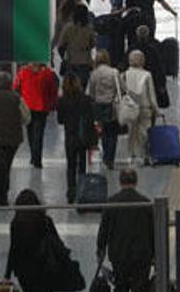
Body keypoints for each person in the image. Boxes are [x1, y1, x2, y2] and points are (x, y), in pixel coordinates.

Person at [96, 169, 154, 292]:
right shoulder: (145, 204)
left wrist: (100, 251)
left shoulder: (111, 203)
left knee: (120, 287)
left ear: (121, 182)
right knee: (138, 291)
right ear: (135, 182)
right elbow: (153, 232)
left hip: (118, 254)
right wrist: (157, 254)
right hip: (141, 255)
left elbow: (103, 230)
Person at [4, 189, 58, 292]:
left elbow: (13, 249)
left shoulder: (16, 224)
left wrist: (8, 273)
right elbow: (56, 242)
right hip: (45, 269)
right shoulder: (46, 221)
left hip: (24, 270)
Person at [0, 71, 31, 205]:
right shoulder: (16, 97)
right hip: (12, 139)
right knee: (6, 165)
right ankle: (3, 194)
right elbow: (27, 118)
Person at [57, 74, 96, 203]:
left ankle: (71, 192)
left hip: (70, 137)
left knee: (71, 165)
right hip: (83, 136)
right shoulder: (86, 99)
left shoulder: (62, 100)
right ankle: (82, 191)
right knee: (82, 165)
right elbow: (91, 118)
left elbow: (60, 120)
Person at [14, 63, 59, 169]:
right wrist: (53, 104)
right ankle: (37, 159)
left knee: (30, 132)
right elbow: (53, 90)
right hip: (41, 107)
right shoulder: (48, 74)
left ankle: (34, 157)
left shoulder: (23, 72)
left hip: (27, 106)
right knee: (39, 134)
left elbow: (16, 87)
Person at [87, 50, 122, 169]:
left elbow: (90, 91)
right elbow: (122, 88)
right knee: (113, 133)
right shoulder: (114, 72)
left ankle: (106, 155)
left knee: (103, 132)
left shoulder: (94, 73)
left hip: (98, 105)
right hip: (112, 105)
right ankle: (110, 158)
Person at [123, 50, 158, 165]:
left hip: (130, 108)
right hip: (144, 107)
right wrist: (156, 109)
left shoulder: (124, 74)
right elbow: (151, 94)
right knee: (145, 132)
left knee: (131, 132)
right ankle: (145, 155)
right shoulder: (147, 75)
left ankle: (131, 155)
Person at [56, 4, 96, 90]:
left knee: (69, 88)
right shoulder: (89, 28)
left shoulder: (67, 27)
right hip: (84, 62)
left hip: (70, 62)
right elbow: (93, 44)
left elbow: (60, 45)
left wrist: (64, 57)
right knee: (82, 88)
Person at [127, 25, 168, 108]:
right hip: (152, 81)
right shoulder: (154, 48)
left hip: (134, 81)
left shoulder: (132, 48)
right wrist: (162, 84)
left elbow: (124, 65)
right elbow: (159, 67)